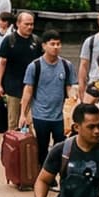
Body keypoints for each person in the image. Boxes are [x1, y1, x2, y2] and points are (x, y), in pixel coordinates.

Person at [19, 30, 76, 161]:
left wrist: (72, 108)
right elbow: (28, 90)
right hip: (41, 115)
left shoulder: (67, 66)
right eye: (52, 44)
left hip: (60, 116)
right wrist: (23, 114)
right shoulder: (35, 66)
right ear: (44, 46)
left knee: (60, 148)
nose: (56, 47)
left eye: (58, 44)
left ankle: (57, 173)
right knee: (42, 148)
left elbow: (70, 88)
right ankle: (43, 175)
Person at [0, 11, 41, 139]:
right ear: (18, 24)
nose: (30, 27)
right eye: (26, 24)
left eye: (32, 24)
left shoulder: (36, 42)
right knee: (14, 123)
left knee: (31, 123)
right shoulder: (9, 41)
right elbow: (2, 63)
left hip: (32, 88)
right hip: (13, 88)